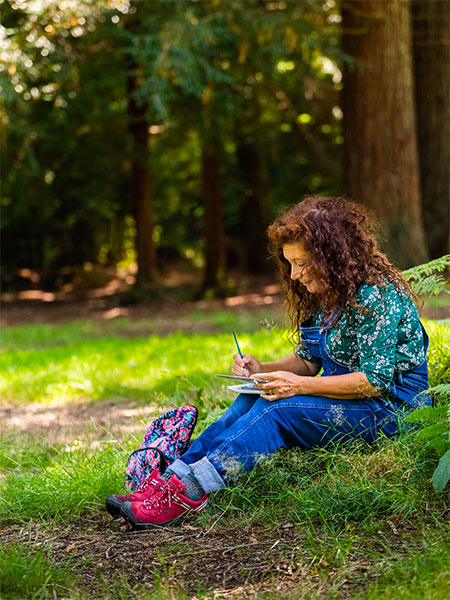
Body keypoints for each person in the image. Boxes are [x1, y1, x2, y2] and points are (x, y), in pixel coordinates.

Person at [110, 196, 431, 529]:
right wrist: (262, 370)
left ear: (333, 257)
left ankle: (189, 492)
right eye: (289, 263)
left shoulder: (374, 296)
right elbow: (308, 361)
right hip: (347, 398)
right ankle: (169, 481)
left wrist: (298, 387)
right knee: (252, 395)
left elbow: (372, 381)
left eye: (303, 263)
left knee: (279, 410)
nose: (294, 274)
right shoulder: (323, 296)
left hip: (391, 409)